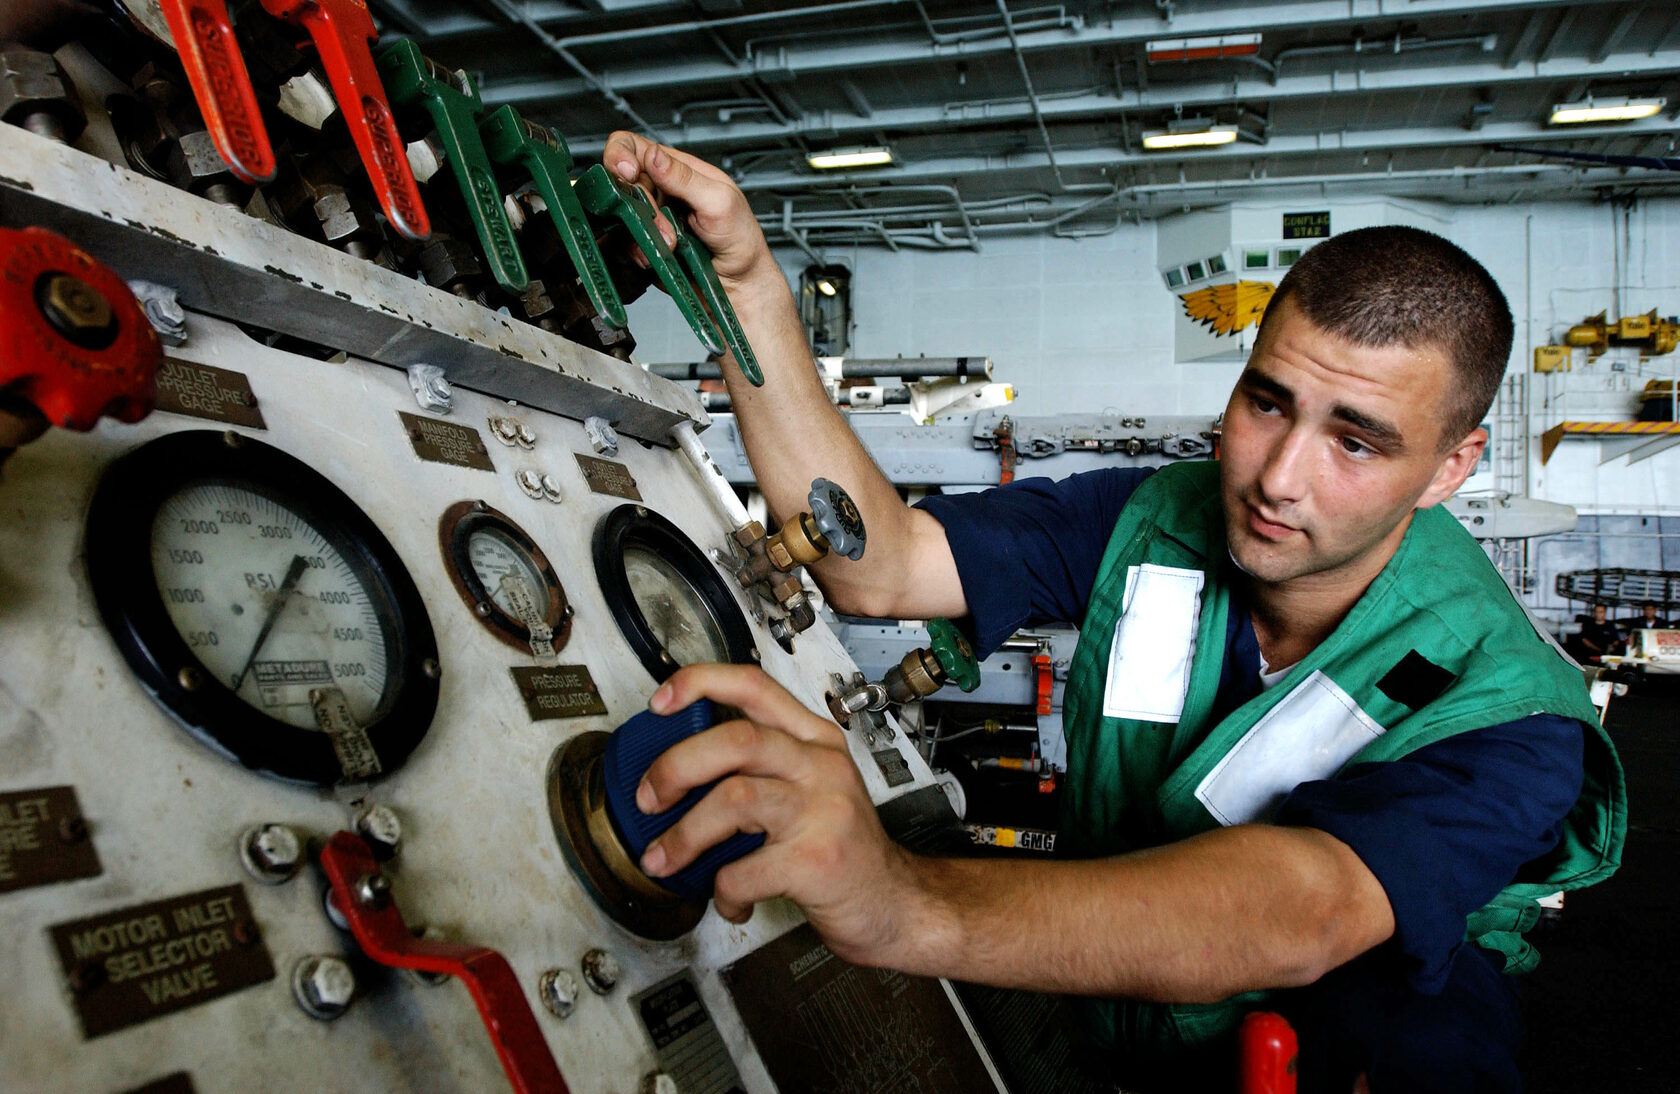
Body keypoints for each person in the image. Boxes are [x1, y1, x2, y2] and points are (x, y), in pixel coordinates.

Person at [599, 134, 1625, 1093]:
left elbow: (1303, 906)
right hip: (1103, 1032)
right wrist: (750, 293)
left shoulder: (1513, 710)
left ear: (1451, 467)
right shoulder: (1154, 521)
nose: (1276, 477)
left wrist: (904, 899)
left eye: (1355, 442)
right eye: (1267, 402)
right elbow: (879, 562)